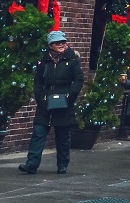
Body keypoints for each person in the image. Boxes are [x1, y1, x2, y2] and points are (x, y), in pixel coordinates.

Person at [19, 30, 84, 174]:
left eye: (63, 42)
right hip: (45, 101)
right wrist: (40, 97)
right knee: (38, 132)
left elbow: (78, 80)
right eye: (57, 43)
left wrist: (70, 97)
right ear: (50, 45)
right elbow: (38, 81)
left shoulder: (72, 59)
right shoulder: (45, 61)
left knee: (62, 136)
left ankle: (62, 164)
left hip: (64, 102)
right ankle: (32, 164)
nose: (61, 45)